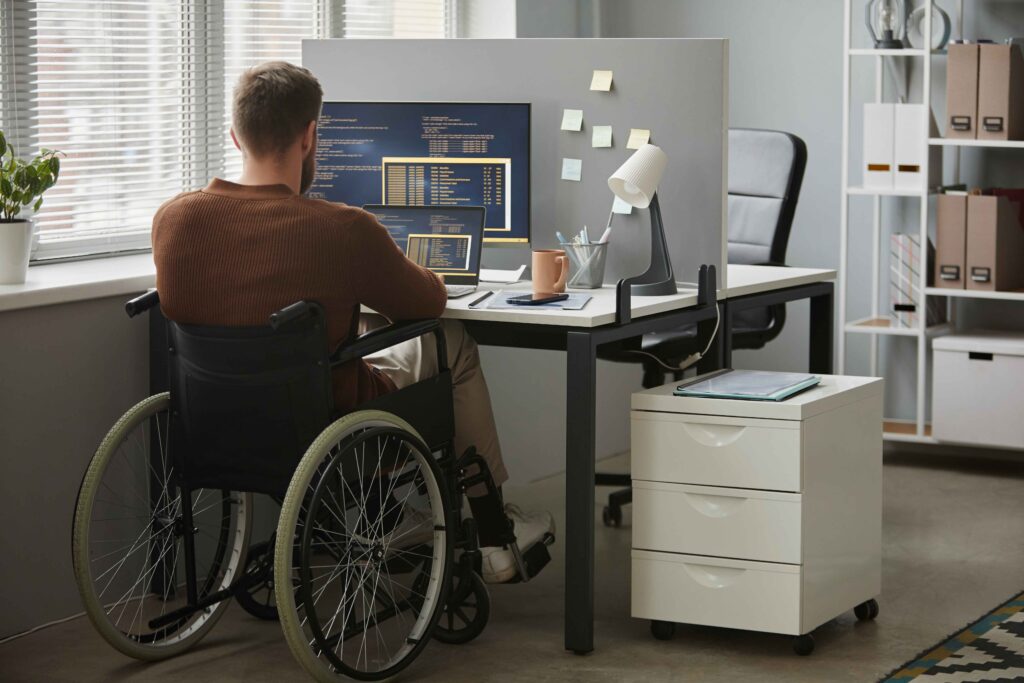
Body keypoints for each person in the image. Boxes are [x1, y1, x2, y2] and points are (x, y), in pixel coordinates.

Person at [152, 61, 553, 584]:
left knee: (349, 335)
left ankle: (391, 518)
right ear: (311, 135)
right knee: (451, 339)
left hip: (215, 427)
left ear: (234, 135)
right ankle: (497, 533)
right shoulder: (342, 228)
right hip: (326, 427)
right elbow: (426, 301)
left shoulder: (174, 219)